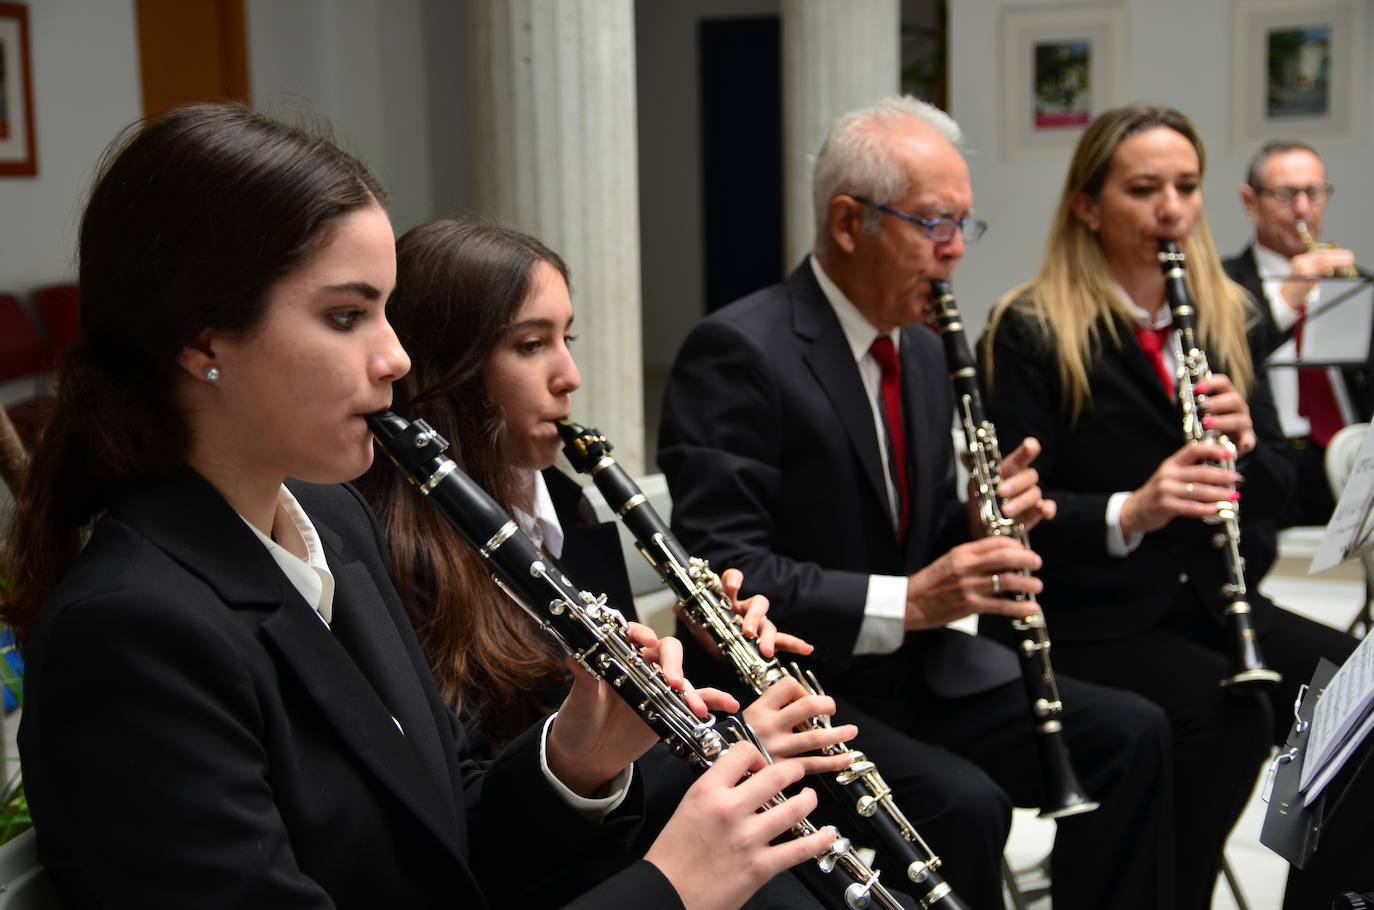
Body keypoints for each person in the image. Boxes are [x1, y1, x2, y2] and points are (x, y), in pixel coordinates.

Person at [2, 103, 834, 910]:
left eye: (387, 311)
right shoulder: (130, 634)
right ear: (203, 340)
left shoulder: (334, 523)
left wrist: (575, 761)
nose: (395, 356)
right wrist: (672, 887)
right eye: (345, 315)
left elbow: (439, 855)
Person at [658, 95, 1174, 910]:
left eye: (965, 225)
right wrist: (916, 598)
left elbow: (912, 528)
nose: (955, 251)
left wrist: (976, 520)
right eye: (935, 224)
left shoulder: (925, 353)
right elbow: (725, 570)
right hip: (804, 691)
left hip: (921, 675)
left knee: (1134, 735)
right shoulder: (739, 352)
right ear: (846, 221)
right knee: (965, 806)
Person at [356, 216, 857, 910]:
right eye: (532, 345)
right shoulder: (390, 552)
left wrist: (709, 656)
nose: (571, 376)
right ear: (448, 370)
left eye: (569, 339)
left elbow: (629, 703)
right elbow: (489, 815)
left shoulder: (565, 498)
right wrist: (740, 745)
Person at [978, 104, 1365, 908]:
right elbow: (1011, 507)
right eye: (1144, 189)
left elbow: (1269, 501)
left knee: (1355, 695)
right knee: (1234, 720)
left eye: (1186, 187)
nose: (1172, 210)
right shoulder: (1030, 328)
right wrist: (1136, 507)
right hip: (1086, 613)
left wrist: (1249, 446)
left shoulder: (1227, 316)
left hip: (1205, 604)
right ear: (1087, 205)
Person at [1223, 140, 1373, 528]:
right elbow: (1223, 357)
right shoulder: (1221, 285)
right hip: (1269, 461)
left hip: (1349, 458)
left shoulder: (1357, 283)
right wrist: (1288, 299)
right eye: (1286, 194)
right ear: (1250, 202)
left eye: (1314, 193)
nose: (1303, 209)